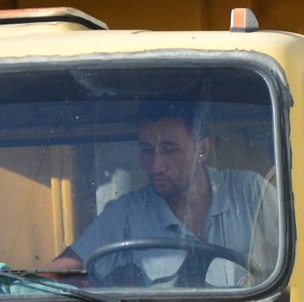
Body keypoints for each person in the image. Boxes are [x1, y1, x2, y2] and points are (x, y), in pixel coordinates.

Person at [44, 98, 275, 288]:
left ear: (202, 149)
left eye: (169, 149)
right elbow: (60, 271)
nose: (155, 166)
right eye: (147, 150)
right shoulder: (128, 212)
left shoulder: (250, 192)